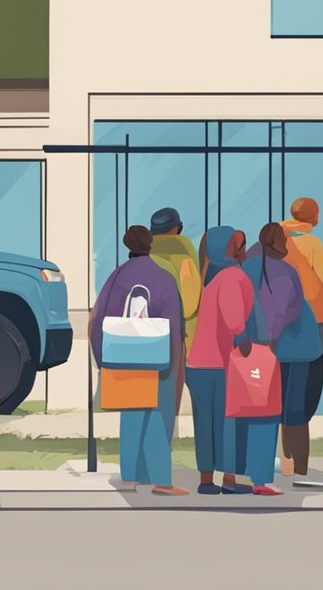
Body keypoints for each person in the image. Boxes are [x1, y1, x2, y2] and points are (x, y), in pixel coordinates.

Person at [91, 226, 187, 496]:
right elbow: (174, 326)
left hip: (124, 360)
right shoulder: (164, 277)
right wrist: (174, 361)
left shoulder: (116, 277)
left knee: (131, 416)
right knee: (157, 416)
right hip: (159, 360)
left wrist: (102, 360)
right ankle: (160, 480)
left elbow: (99, 319)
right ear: (151, 244)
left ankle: (130, 478)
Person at [187, 226, 253, 495]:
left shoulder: (207, 277)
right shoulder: (232, 276)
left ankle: (205, 479)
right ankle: (228, 480)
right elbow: (234, 316)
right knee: (228, 423)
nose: (243, 250)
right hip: (222, 363)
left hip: (197, 364)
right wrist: (244, 339)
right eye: (238, 245)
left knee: (204, 425)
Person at [240, 223, 305, 496]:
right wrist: (270, 338)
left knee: (246, 410)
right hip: (272, 350)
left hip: (245, 349)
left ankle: (243, 471)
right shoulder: (288, 272)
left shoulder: (246, 269)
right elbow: (292, 309)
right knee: (268, 413)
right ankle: (261, 477)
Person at [278, 197, 323, 486]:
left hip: (278, 331)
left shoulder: (276, 239)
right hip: (307, 329)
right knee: (302, 398)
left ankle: (285, 464)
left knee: (280, 396)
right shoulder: (313, 244)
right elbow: (322, 289)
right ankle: (298, 466)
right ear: (313, 217)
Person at [149, 207, 202, 416]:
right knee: (172, 390)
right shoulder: (184, 251)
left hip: (150, 329)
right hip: (180, 333)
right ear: (177, 228)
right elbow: (190, 300)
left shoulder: (146, 251)